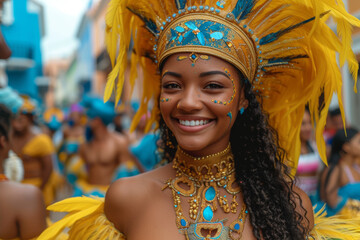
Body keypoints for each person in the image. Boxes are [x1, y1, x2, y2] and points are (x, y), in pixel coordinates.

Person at [38, 0, 360, 239]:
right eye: (173, 86)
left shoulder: (290, 206)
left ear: (243, 98)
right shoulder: (125, 199)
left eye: (213, 86)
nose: (188, 102)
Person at [73, 96, 143, 197]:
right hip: (88, 196)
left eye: (89, 116)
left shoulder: (119, 142)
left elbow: (127, 175)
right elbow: (78, 173)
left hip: (110, 197)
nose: (86, 120)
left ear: (98, 120)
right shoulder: (84, 144)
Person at [0, 104, 47, 240]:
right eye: (12, 134)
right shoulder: (27, 197)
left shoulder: (41, 140)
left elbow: (48, 167)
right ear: (3, 142)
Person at [10, 97, 56, 206]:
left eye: (23, 116)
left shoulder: (42, 140)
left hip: (37, 189)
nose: (19, 119)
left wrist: (38, 190)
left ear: (30, 118)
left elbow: (48, 168)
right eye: (15, 116)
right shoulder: (7, 140)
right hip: (13, 191)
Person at [318, 128, 360, 217]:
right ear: (346, 147)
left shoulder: (356, 166)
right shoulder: (335, 169)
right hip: (344, 224)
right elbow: (332, 201)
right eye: (359, 142)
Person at [295, 108, 323, 202]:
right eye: (303, 124)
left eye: (310, 122)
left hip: (316, 199)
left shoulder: (315, 146)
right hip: (297, 201)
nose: (308, 128)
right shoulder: (287, 151)